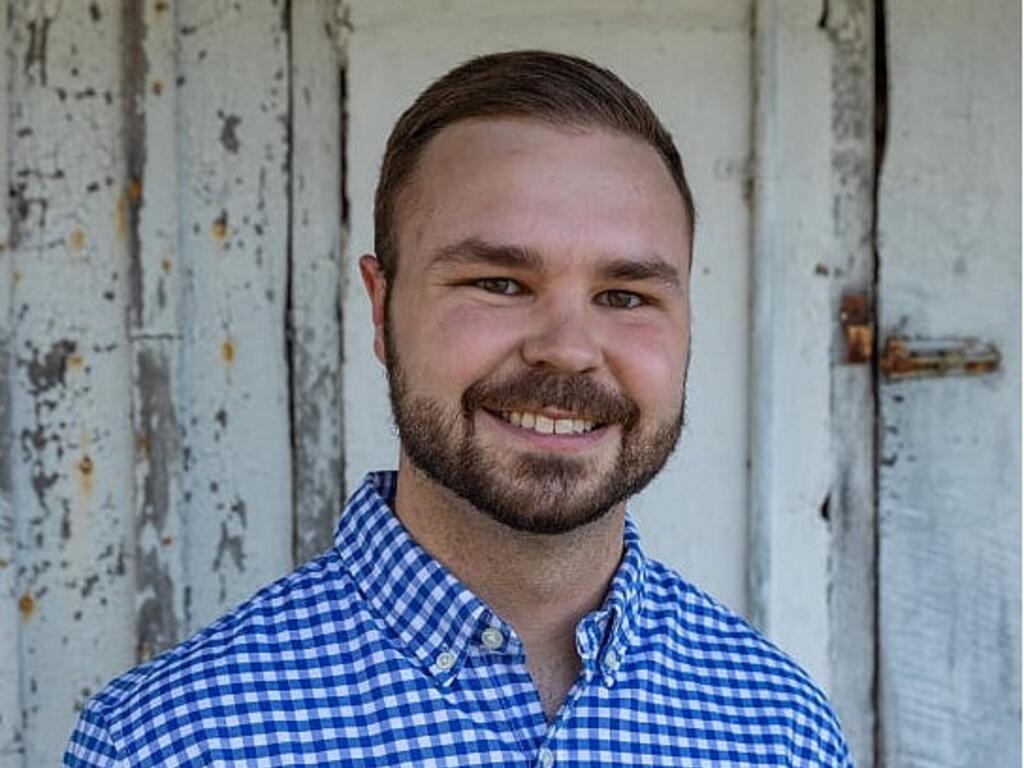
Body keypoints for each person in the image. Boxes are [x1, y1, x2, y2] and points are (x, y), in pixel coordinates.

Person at [65, 50, 852, 766]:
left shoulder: (778, 727)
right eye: (499, 283)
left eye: (625, 295)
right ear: (381, 311)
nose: (569, 349)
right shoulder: (169, 741)